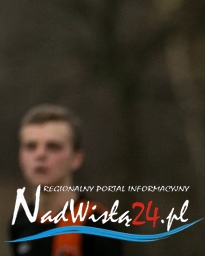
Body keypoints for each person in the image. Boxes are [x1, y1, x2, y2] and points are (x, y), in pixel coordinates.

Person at [9, 104, 123, 256]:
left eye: (53, 147)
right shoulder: (20, 222)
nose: (40, 155)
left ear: (76, 158)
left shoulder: (96, 225)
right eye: (31, 146)